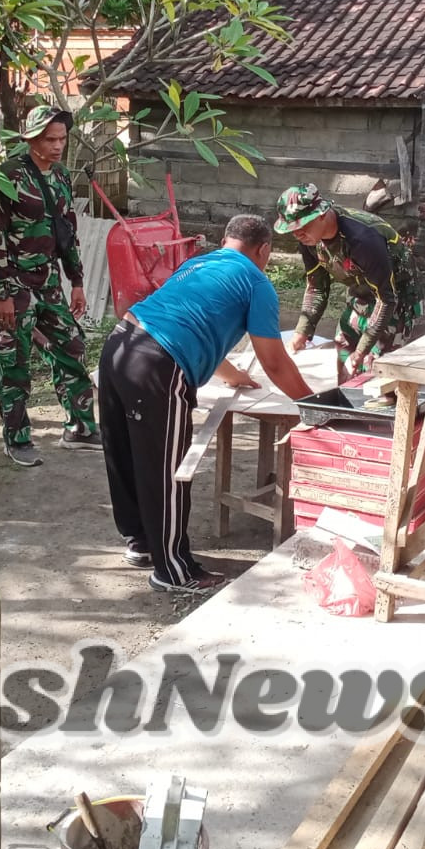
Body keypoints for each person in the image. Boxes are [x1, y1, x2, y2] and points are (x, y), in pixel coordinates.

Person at [99, 214, 314, 594]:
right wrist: (315, 404)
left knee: (126, 455)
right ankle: (174, 570)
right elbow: (275, 361)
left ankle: (141, 542)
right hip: (156, 365)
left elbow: (193, 322)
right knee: (166, 469)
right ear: (263, 250)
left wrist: (230, 375)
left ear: (226, 240)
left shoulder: (199, 264)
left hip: (121, 344)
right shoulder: (255, 281)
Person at [0, 104, 98, 466]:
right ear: (30, 139)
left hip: (49, 279)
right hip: (16, 282)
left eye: (62, 139)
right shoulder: (8, 176)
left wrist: (78, 282)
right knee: (16, 362)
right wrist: (2, 293)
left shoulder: (61, 176)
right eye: (49, 139)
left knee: (71, 346)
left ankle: (81, 427)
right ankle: (17, 437)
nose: (57, 146)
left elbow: (67, 231)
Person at [274, 183, 421, 379]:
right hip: (359, 294)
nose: (297, 234)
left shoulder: (363, 239)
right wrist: (302, 331)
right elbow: (317, 287)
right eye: (292, 230)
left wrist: (361, 352)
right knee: (344, 362)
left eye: (302, 226)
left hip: (395, 300)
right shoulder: (309, 240)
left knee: (377, 372)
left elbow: (386, 300)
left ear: (321, 214)